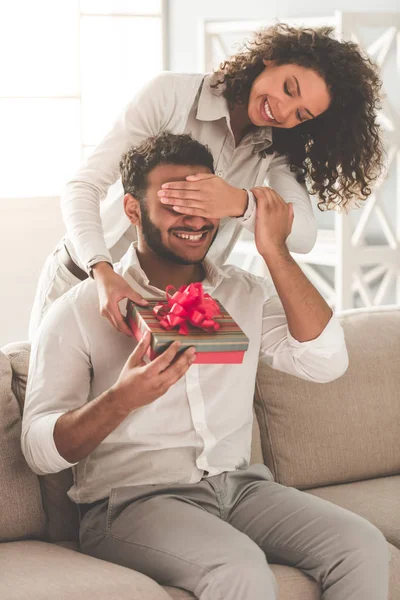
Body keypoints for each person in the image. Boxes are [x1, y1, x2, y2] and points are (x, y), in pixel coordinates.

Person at [22, 133, 389, 600]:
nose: (195, 218)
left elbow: (326, 361)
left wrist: (274, 249)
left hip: (241, 489)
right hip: (132, 503)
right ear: (133, 211)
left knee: (363, 547)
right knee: (239, 570)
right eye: (175, 202)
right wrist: (122, 399)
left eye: (204, 200)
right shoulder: (75, 312)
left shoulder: (243, 293)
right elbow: (37, 449)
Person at [28, 23, 384, 340]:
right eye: (289, 89)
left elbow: (303, 236)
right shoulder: (171, 95)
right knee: (47, 406)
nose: (284, 111)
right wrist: (101, 270)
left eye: (301, 114)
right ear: (272, 58)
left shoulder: (277, 147)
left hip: (162, 308)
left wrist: (235, 202)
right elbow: (83, 186)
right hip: (85, 280)